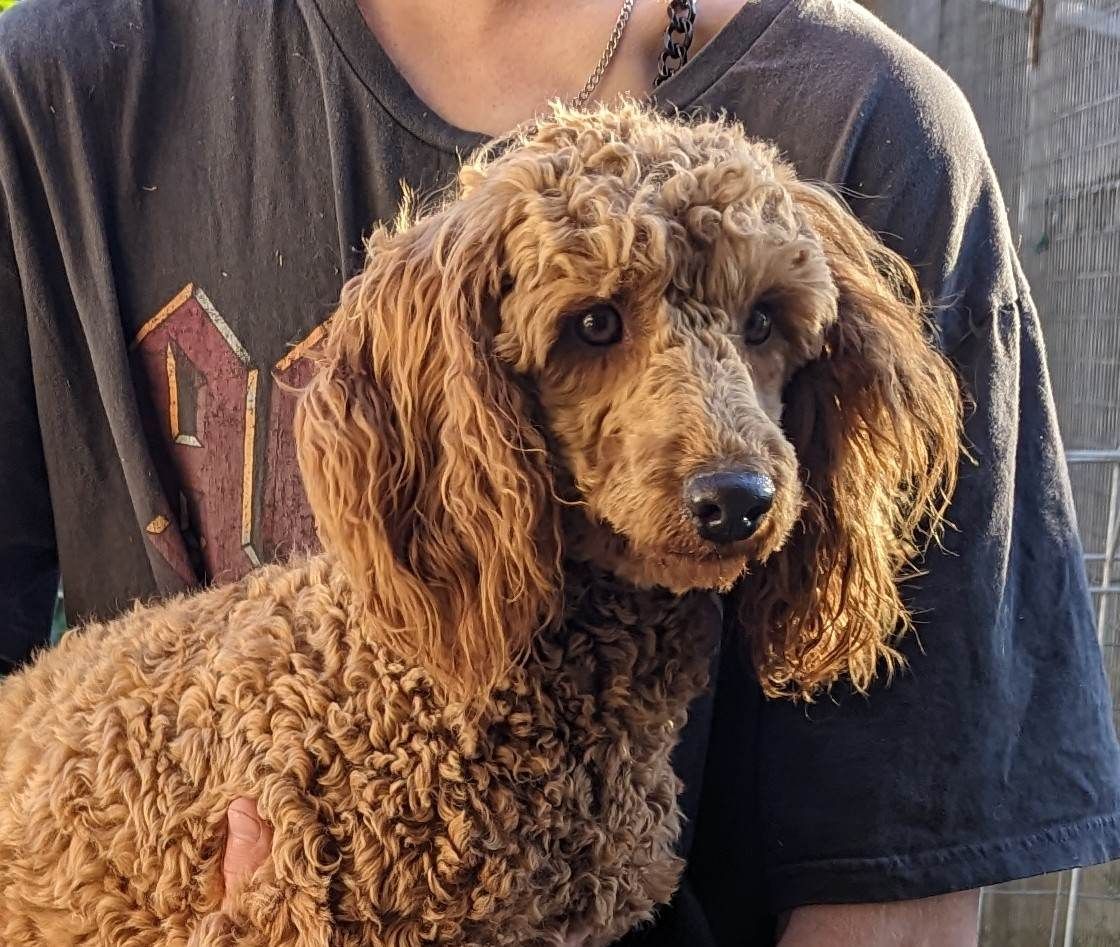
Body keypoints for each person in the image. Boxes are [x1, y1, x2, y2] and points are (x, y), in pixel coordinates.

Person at [1, 0, 1118, 943]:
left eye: (767, 325)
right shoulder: (59, 89)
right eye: (591, 327)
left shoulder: (871, 122)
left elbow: (900, 883)